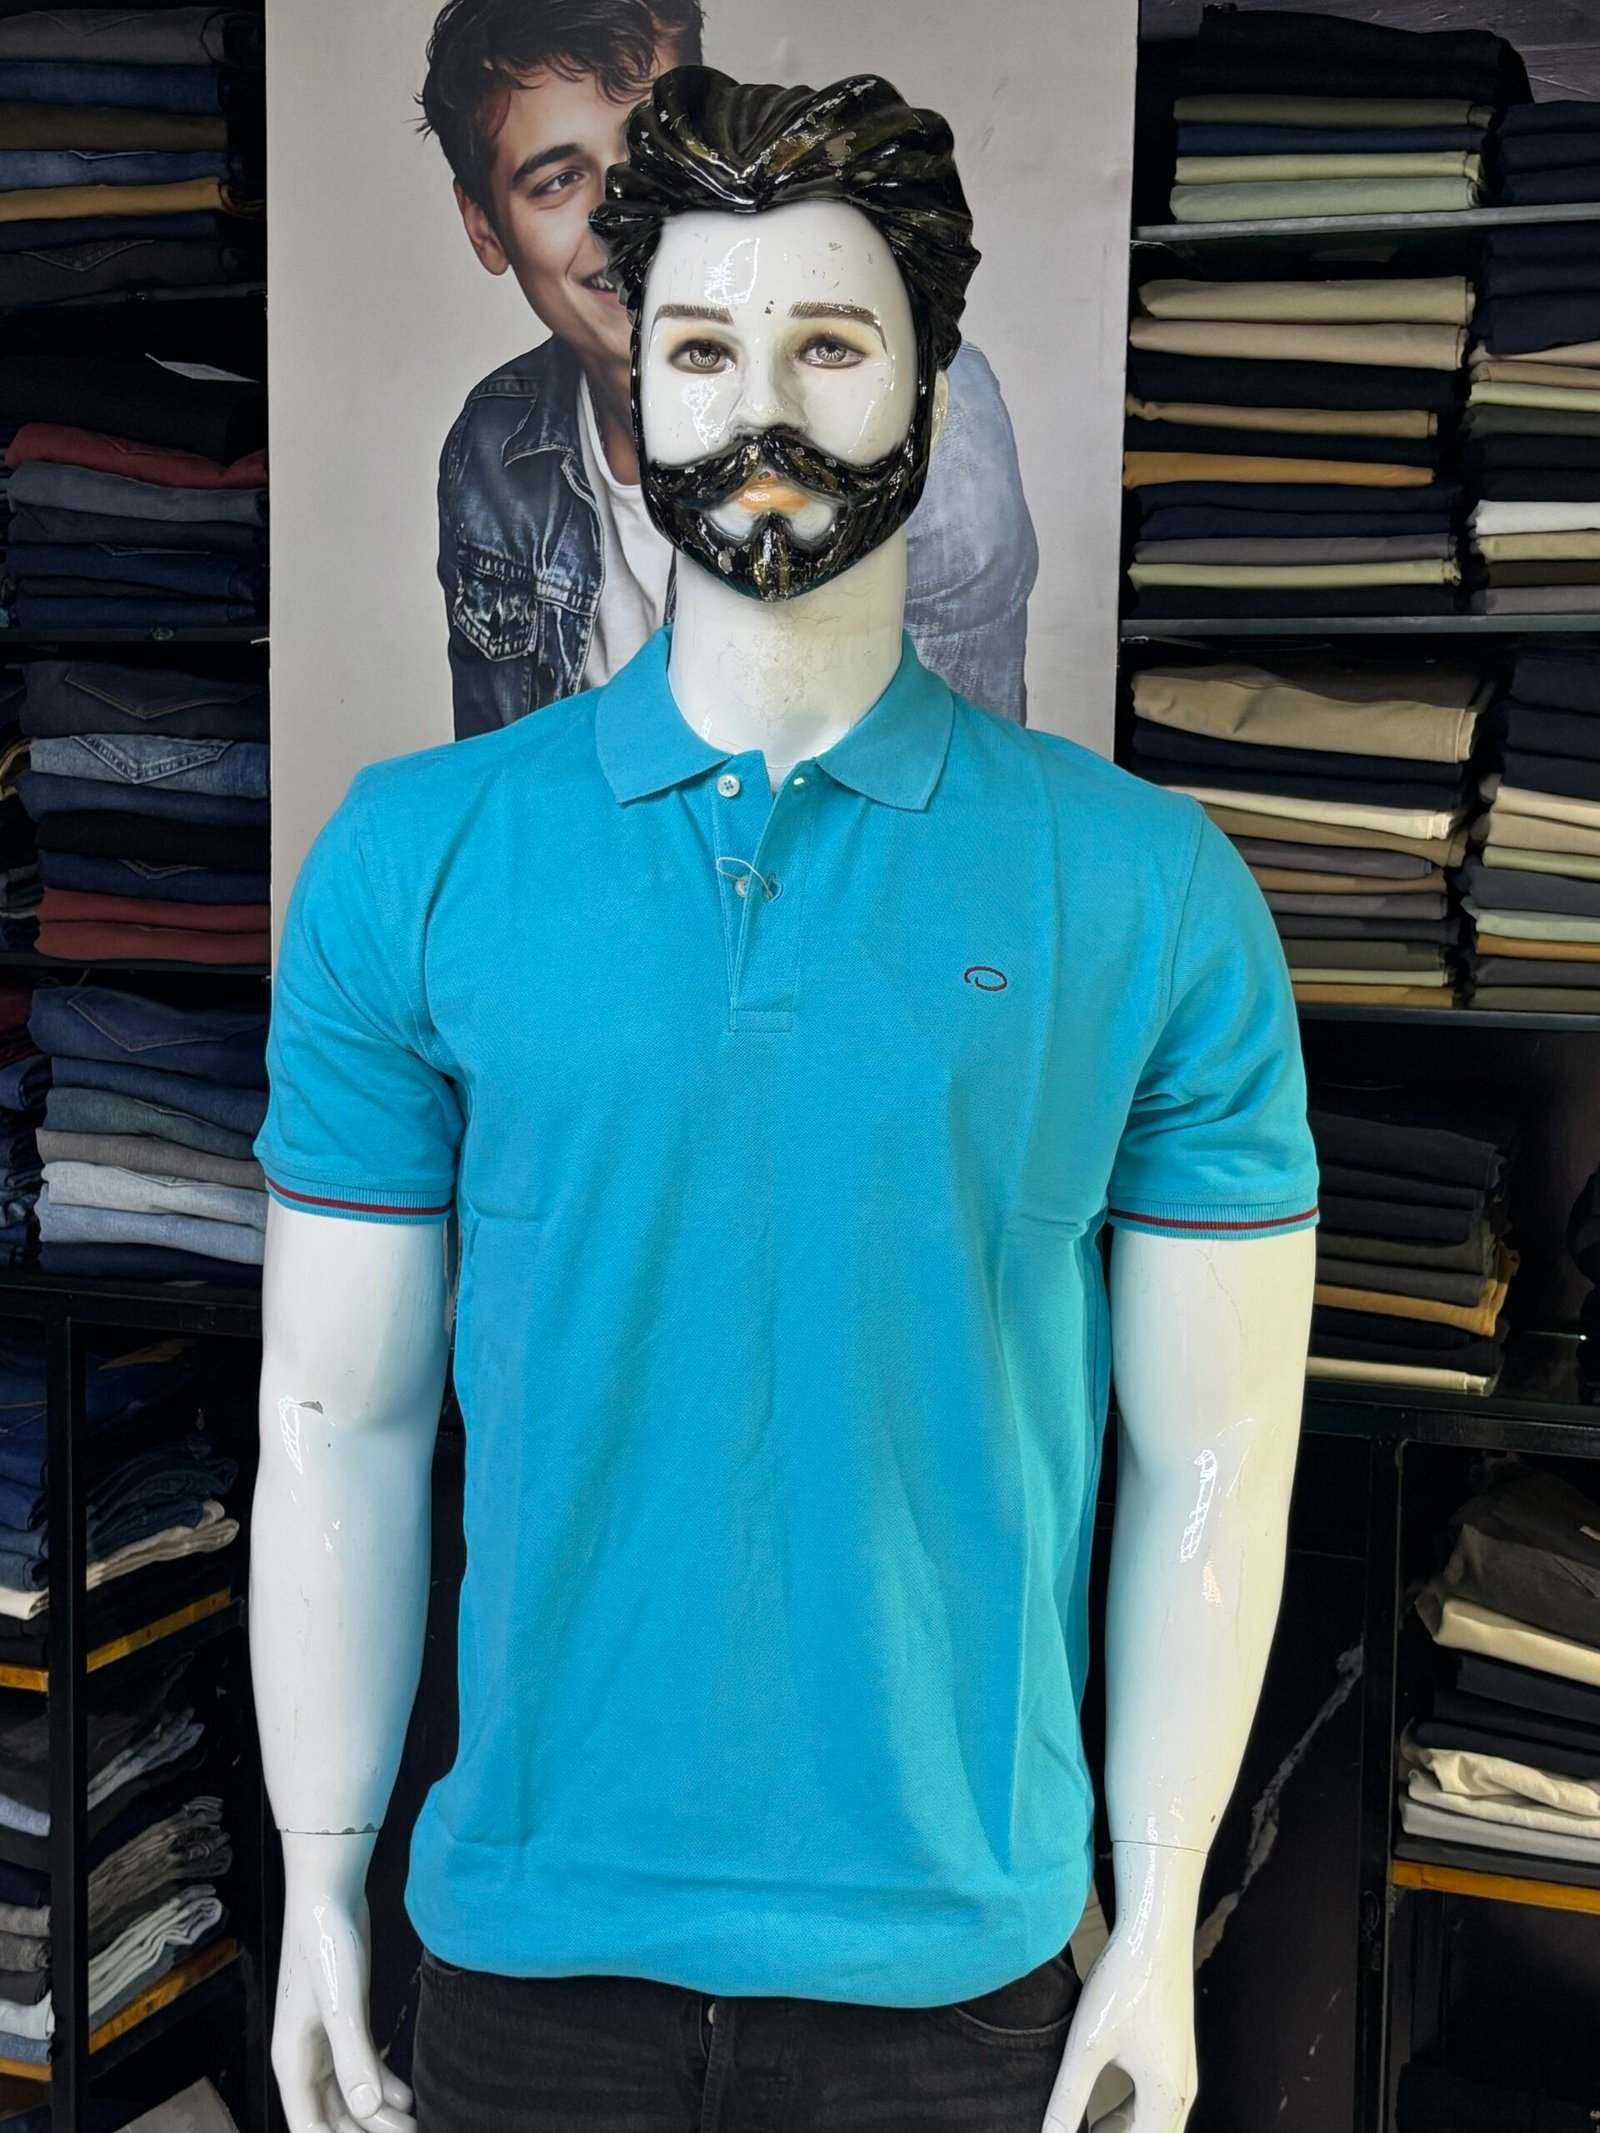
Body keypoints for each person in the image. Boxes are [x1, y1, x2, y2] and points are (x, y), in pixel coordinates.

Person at [251, 61, 1318, 2133]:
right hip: (526, 1960)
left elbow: (1217, 1454)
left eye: (830, 343)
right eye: (699, 349)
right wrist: (318, 1874)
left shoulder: (1145, 891)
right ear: (627, 383)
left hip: (960, 1972)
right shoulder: (412, 861)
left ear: (929, 377)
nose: (762, 407)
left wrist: (1156, 1913)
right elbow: (333, 1417)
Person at [418, 0, 1039, 737]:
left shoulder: (933, 416)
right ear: (484, 225)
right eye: (557, 180)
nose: (621, 215)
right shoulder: (493, 441)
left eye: (646, 149)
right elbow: (491, 781)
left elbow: (948, 780)